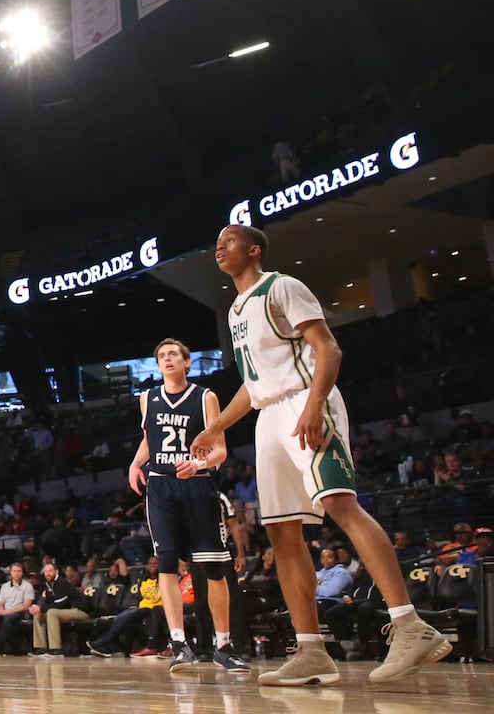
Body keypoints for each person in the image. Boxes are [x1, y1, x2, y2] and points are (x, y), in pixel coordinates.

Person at [193, 224, 451, 686]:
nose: (219, 247)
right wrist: (214, 426)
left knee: (339, 505)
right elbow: (252, 388)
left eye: (228, 241)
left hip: (304, 401)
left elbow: (328, 349)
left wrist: (314, 405)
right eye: (217, 243)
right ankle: (311, 650)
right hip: (269, 415)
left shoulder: (282, 286)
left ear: (253, 250)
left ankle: (411, 625)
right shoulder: (235, 309)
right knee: (282, 533)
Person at [128, 338, 250, 674]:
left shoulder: (205, 397)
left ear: (187, 363)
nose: (167, 360)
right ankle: (180, 644)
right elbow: (150, 439)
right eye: (161, 356)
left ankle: (224, 645)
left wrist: (197, 465)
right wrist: (135, 464)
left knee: (213, 568)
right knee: (166, 563)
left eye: (173, 355)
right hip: (161, 487)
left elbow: (220, 450)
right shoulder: (147, 398)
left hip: (197, 485)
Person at [88, 556, 161, 656]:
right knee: (121, 617)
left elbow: (156, 597)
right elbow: (139, 598)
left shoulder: (163, 580)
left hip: (154, 608)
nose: (152, 565)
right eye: (150, 563)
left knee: (127, 616)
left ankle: (104, 641)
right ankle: (112, 648)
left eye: (155, 563)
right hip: (141, 608)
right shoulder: (144, 581)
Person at [29, 561, 88, 657]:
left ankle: (56, 649)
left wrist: (41, 608)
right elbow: (48, 603)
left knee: (51, 613)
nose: (47, 573)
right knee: (38, 615)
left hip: (80, 611)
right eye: (46, 571)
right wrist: (36, 608)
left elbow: (60, 605)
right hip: (65, 611)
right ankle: (41, 648)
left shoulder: (62, 582)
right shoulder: (48, 584)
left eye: (50, 571)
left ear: (56, 572)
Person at [0, 562, 32, 656]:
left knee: (8, 619)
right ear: (10, 573)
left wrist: (9, 612)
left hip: (18, 612)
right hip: (5, 611)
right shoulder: (4, 586)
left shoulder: (27, 586)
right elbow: (0, 603)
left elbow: (26, 606)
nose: (16, 573)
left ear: (22, 573)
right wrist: (1, 610)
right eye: (14, 571)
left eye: (19, 571)